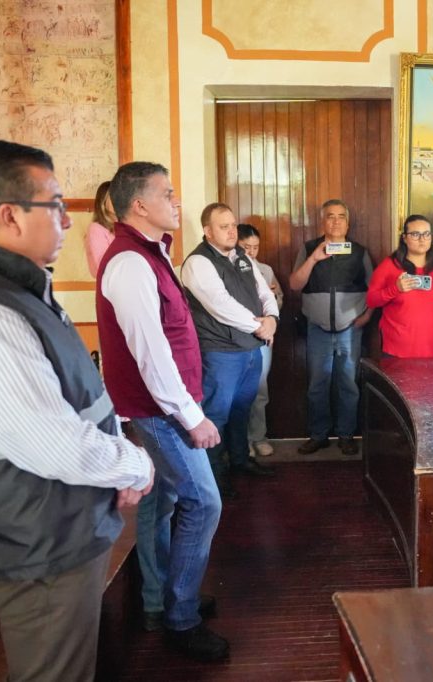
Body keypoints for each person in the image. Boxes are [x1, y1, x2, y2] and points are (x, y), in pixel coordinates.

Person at [0, 140, 154, 681]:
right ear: (10, 215)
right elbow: (54, 443)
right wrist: (133, 464)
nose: (68, 220)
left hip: (57, 529)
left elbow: (72, 400)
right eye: (56, 204)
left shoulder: (15, 287)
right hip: (38, 546)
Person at [96, 161, 228, 661]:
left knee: (166, 503)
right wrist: (192, 417)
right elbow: (151, 354)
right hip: (159, 410)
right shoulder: (130, 263)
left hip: (167, 404)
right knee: (204, 502)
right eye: (167, 194)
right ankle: (180, 616)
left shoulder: (150, 253)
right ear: (139, 205)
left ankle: (163, 599)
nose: (177, 202)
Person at [180, 203, 278, 497]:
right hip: (220, 353)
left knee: (241, 411)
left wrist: (272, 318)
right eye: (224, 226)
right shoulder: (198, 262)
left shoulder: (242, 257)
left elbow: (264, 290)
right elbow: (220, 305)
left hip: (250, 350)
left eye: (233, 225)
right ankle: (213, 476)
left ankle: (240, 461)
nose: (232, 231)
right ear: (207, 231)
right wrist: (260, 326)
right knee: (216, 415)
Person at [289, 199, 373, 456]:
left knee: (349, 384)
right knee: (317, 385)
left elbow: (375, 290)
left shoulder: (359, 252)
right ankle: (318, 435)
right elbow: (294, 284)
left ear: (348, 223)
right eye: (330, 216)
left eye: (341, 217)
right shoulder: (308, 248)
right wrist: (314, 259)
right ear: (322, 221)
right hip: (318, 329)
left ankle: (346, 435)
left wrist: (367, 316)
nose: (336, 221)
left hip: (350, 329)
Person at [366, 215, 433, 358]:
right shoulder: (389, 266)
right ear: (404, 238)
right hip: (397, 350)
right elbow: (371, 300)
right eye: (415, 234)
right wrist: (395, 289)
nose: (422, 239)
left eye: (426, 234)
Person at [238, 223, 283, 458]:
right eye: (246, 247)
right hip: (236, 338)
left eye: (255, 247)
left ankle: (258, 436)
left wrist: (273, 298)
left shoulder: (265, 270)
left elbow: (279, 300)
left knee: (259, 389)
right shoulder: (228, 268)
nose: (251, 252)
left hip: (263, 337)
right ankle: (240, 442)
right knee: (238, 392)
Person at [84, 180, 116, 277]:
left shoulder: (125, 225)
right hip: (110, 283)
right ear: (103, 202)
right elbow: (102, 267)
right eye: (114, 197)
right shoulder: (96, 229)